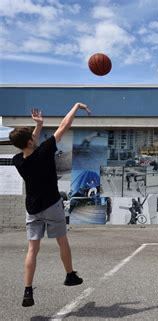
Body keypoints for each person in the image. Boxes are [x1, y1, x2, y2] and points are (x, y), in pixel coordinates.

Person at [9, 103, 90, 307]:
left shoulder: (18, 160)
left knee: (32, 250)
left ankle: (28, 291)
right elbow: (64, 125)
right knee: (62, 242)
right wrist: (76, 106)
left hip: (33, 209)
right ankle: (70, 275)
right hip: (52, 206)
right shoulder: (44, 151)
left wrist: (38, 125)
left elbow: (31, 145)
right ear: (30, 141)